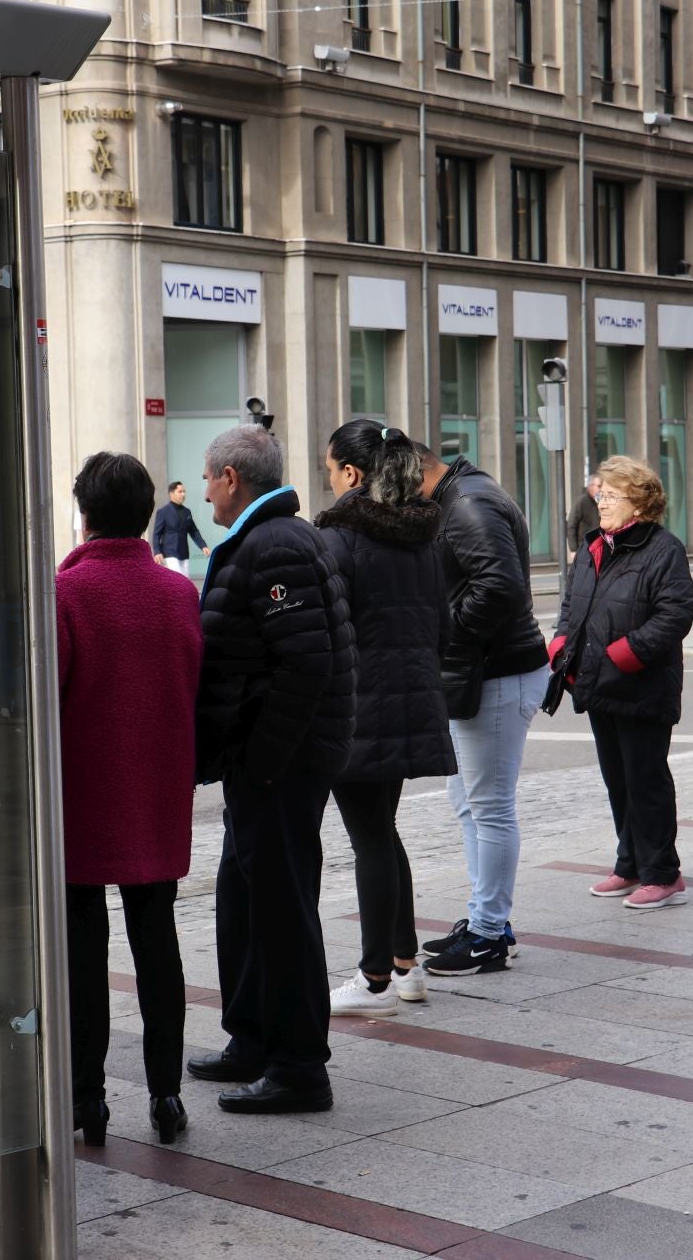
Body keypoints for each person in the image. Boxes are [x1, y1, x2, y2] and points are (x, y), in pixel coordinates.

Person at [187, 424, 356, 1114]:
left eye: (207, 478)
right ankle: (252, 1037)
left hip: (280, 765)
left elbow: (307, 666)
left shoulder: (277, 543)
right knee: (243, 896)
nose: (202, 491)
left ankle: (298, 1067)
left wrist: (261, 761)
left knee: (282, 908)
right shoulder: (266, 539)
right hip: (264, 763)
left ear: (232, 478)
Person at [56, 453, 203, 1147]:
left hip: (83, 793)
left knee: (82, 949)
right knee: (157, 941)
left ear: (84, 513)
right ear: (148, 511)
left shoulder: (65, 594)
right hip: (157, 790)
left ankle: (88, 1100)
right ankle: (166, 1095)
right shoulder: (177, 594)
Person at [315, 420, 455, 1017]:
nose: (328, 480)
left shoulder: (340, 539)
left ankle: (373, 979)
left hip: (358, 707)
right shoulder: (421, 539)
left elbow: (323, 633)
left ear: (350, 475)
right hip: (411, 699)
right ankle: (406, 964)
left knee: (369, 837)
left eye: (329, 469)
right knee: (383, 831)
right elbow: (444, 627)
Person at [413, 441, 550, 976]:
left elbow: (501, 587)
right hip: (492, 669)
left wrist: (451, 636)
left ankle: (490, 933)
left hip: (498, 671)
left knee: (488, 805)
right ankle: (485, 920)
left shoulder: (465, 502)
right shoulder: (464, 493)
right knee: (471, 801)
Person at [549, 457, 693, 911]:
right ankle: (630, 863)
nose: (602, 502)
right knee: (618, 781)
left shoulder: (661, 549)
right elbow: (573, 605)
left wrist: (623, 654)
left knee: (645, 779)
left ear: (639, 501)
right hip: (598, 684)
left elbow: (675, 615)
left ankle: (663, 874)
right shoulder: (596, 546)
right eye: (601, 494)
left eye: (612, 495)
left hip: (641, 685)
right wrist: (559, 644)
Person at [152, 480, 210, 577]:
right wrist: (157, 551)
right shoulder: (163, 511)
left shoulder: (187, 512)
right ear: (171, 493)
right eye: (180, 492)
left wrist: (203, 546)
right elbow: (156, 534)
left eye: (184, 491)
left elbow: (194, 531)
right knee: (176, 582)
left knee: (185, 582)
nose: (183, 494)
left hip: (184, 554)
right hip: (169, 554)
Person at [565, 472, 602, 562]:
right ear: (591, 486)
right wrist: (573, 549)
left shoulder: (600, 502)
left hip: (598, 548)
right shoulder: (581, 502)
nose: (601, 489)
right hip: (584, 548)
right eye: (599, 486)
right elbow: (571, 525)